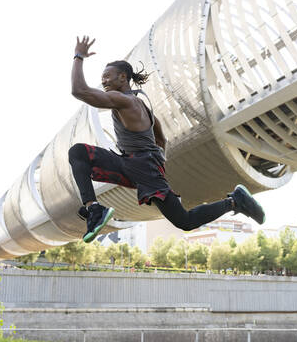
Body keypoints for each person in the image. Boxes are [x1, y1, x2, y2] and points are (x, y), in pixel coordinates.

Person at [68, 36, 265, 243]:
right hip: (134, 163)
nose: (104, 82)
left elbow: (79, 91)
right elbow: (161, 137)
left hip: (142, 166)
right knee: (79, 152)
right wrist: (158, 161)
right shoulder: (142, 104)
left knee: (184, 221)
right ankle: (94, 209)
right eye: (103, 78)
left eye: (107, 77)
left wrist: (78, 56)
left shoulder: (122, 100)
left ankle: (235, 202)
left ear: (123, 77)